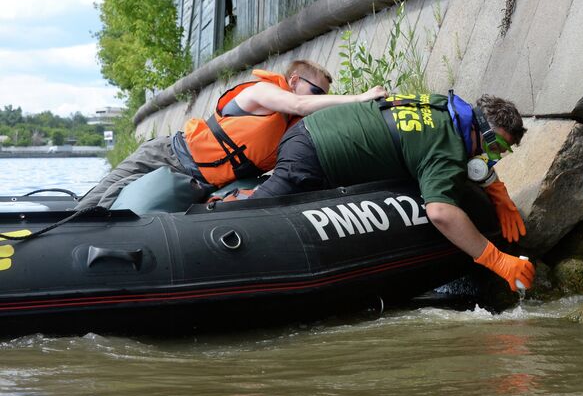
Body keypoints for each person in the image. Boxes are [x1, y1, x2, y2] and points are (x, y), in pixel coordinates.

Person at [248, 92, 536, 292]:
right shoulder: (446, 151)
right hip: (313, 158)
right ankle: (223, 208)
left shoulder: (441, 107)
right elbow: (440, 212)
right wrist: (497, 259)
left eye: (502, 152)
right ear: (479, 129)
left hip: (310, 131)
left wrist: (496, 191)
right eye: (494, 147)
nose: (493, 157)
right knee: (256, 216)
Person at [76, 60, 387, 209]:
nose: (319, 97)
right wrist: (359, 97)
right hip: (169, 154)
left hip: (199, 182)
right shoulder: (262, 92)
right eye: (317, 90)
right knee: (94, 203)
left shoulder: (291, 130)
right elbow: (300, 103)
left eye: (324, 94)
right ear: (294, 80)